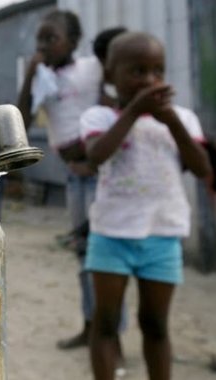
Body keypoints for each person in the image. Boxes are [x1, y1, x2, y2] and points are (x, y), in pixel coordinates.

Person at [81, 31, 212, 380]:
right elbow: (96, 156)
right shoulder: (99, 117)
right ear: (111, 76)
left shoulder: (181, 118)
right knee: (106, 323)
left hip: (163, 234)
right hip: (111, 234)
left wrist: (168, 120)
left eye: (158, 71)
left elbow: (201, 168)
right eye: (137, 71)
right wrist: (136, 111)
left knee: (155, 326)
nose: (150, 80)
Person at [17, 10, 117, 351]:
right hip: (75, 177)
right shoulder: (44, 77)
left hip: (102, 174)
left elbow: (115, 103)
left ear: (73, 42)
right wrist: (30, 76)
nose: (43, 46)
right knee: (84, 253)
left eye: (51, 39)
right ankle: (91, 326)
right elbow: (22, 117)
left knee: (107, 254)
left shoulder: (93, 68)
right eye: (39, 39)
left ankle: (110, 333)